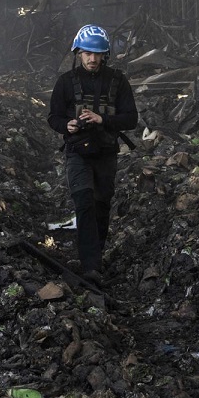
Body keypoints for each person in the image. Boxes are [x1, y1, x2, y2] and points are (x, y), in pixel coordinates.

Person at [47, 24, 138, 284]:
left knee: (100, 205)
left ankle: (94, 256)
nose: (92, 59)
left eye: (97, 54)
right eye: (87, 53)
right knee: (84, 202)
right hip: (77, 152)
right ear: (78, 52)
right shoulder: (65, 83)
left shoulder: (118, 81)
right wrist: (67, 125)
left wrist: (102, 118)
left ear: (105, 55)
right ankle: (91, 267)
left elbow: (131, 118)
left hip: (106, 152)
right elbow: (53, 117)